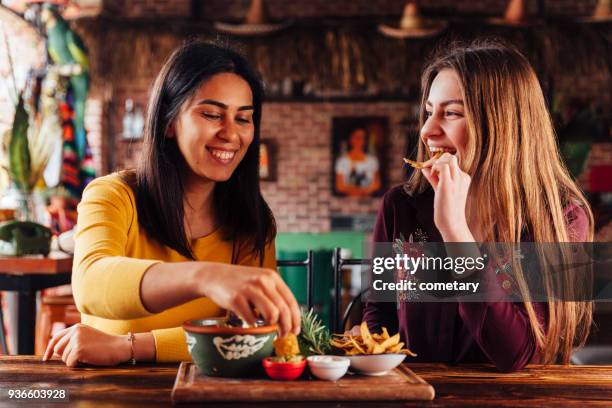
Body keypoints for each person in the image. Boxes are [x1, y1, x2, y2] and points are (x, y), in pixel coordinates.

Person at [42, 41, 301, 367]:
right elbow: (91, 284)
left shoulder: (252, 221)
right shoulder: (113, 195)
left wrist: (131, 347)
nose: (231, 134)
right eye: (211, 114)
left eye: (243, 118)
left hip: (209, 396)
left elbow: (251, 337)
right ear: (168, 121)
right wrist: (205, 277)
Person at [360, 41, 593, 372]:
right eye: (428, 111)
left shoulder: (562, 218)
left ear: (504, 125)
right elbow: (380, 315)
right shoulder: (401, 205)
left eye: (451, 113)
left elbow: (515, 355)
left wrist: (455, 231)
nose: (426, 131)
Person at [335, 128, 381, 196]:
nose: (359, 140)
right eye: (356, 137)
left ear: (365, 141)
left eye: (362, 138)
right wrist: (359, 191)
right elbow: (340, 186)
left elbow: (376, 184)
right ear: (351, 139)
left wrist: (360, 191)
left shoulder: (372, 160)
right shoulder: (342, 161)